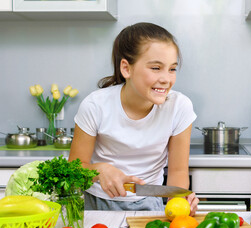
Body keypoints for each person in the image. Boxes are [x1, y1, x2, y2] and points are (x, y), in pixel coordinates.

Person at [68, 22, 199, 215]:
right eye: (156, 68)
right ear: (126, 69)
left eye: (172, 69)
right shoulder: (95, 105)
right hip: (96, 204)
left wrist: (180, 203)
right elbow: (74, 170)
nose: (166, 79)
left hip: (149, 203)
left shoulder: (179, 107)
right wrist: (99, 170)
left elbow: (178, 172)